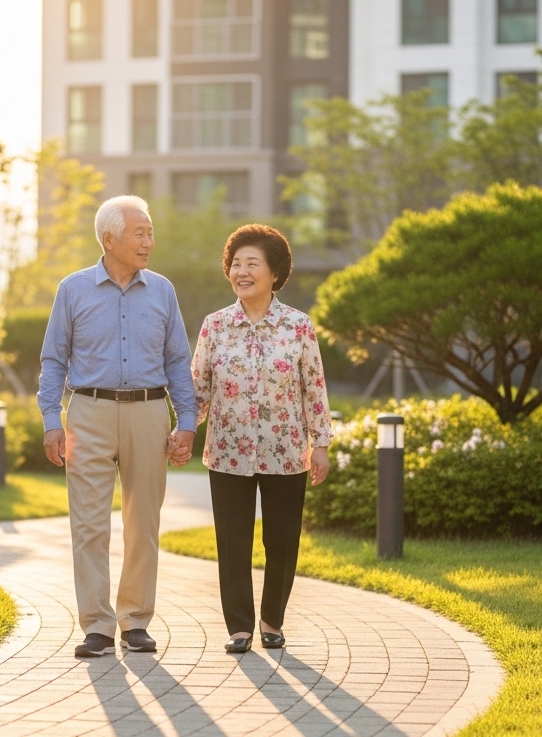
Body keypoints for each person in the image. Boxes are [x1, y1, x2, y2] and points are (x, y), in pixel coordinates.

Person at [39, 195, 197, 659]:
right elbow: (53, 360)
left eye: (150, 232)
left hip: (149, 412)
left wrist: (185, 421)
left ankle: (136, 622)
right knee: (88, 523)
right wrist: (52, 421)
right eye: (140, 233)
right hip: (87, 412)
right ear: (109, 239)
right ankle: (96, 625)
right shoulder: (72, 289)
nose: (149, 241)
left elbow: (177, 360)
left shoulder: (163, 291)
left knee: (143, 521)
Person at [190, 223, 332, 653]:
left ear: (275, 273)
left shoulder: (298, 327)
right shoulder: (215, 327)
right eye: (236, 263)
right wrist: (180, 430)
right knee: (232, 541)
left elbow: (314, 387)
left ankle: (272, 620)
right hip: (228, 451)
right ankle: (239, 628)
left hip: (286, 451)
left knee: (282, 539)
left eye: (253, 263)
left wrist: (320, 442)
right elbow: (198, 388)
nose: (242, 271)